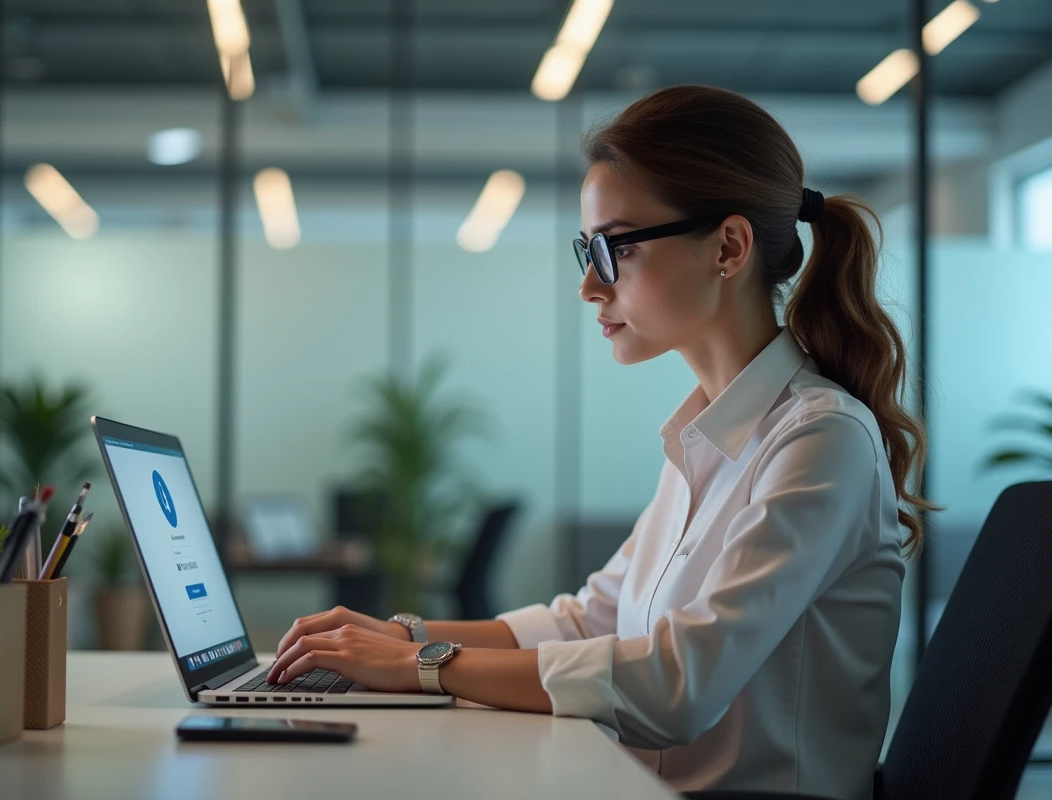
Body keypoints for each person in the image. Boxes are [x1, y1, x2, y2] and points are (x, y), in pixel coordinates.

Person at [265, 85, 933, 800]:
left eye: (614, 249)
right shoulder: (705, 438)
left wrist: (423, 662)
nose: (589, 285)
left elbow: (677, 685)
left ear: (729, 248)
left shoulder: (820, 439)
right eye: (588, 250)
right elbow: (591, 618)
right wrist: (400, 636)